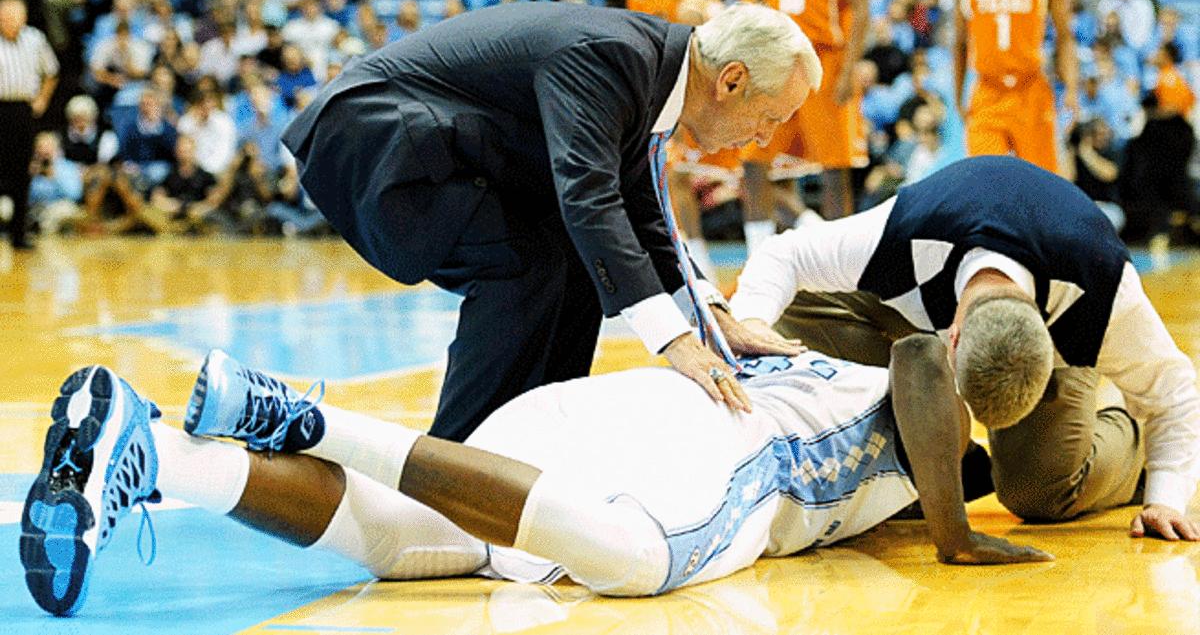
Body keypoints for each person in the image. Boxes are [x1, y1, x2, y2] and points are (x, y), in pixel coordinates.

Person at [20, 333, 1051, 617]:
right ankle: (314, 416)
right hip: (706, 459)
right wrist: (957, 537)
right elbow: (926, 363)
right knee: (646, 563)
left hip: (573, 429)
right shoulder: (907, 376)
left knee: (410, 545)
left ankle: (162, 453)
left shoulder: (874, 400)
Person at [279, 1, 820, 442]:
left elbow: (643, 214)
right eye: (769, 118)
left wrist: (712, 317)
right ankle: (455, 467)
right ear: (731, 79)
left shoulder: (651, 71)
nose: (764, 139)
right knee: (523, 264)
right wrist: (674, 341)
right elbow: (589, 199)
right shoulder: (613, 58)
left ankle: (534, 447)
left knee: (578, 265)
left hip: (445, 146)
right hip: (375, 138)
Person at [729, 155, 1200, 540]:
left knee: (1038, 493)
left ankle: (1121, 431)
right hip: (937, 265)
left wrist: (1166, 495)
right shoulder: (904, 229)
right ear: (950, 340)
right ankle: (940, 456)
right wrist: (751, 323)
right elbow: (782, 254)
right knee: (797, 303)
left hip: (1054, 310)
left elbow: (1175, 389)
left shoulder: (1104, 293)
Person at [744, 0, 870, 232]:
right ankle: (761, 254)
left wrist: (849, 69)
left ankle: (839, 259)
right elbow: (759, 4)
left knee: (833, 169)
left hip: (825, 61)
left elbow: (861, 8)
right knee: (754, 163)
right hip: (778, 64)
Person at [953, 0, 1078, 174]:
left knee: (1041, 184)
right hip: (987, 90)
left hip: (1030, 89)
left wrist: (1071, 88)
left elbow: (1065, 37)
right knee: (983, 180)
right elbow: (960, 44)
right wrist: (958, 94)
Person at [0, 0, 59, 250]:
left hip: (24, 110)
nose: (9, 21)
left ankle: (18, 235)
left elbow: (52, 71)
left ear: (23, 17)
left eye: (14, 16)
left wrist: (42, 99)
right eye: (4, 16)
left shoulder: (35, 39)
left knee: (22, 172)